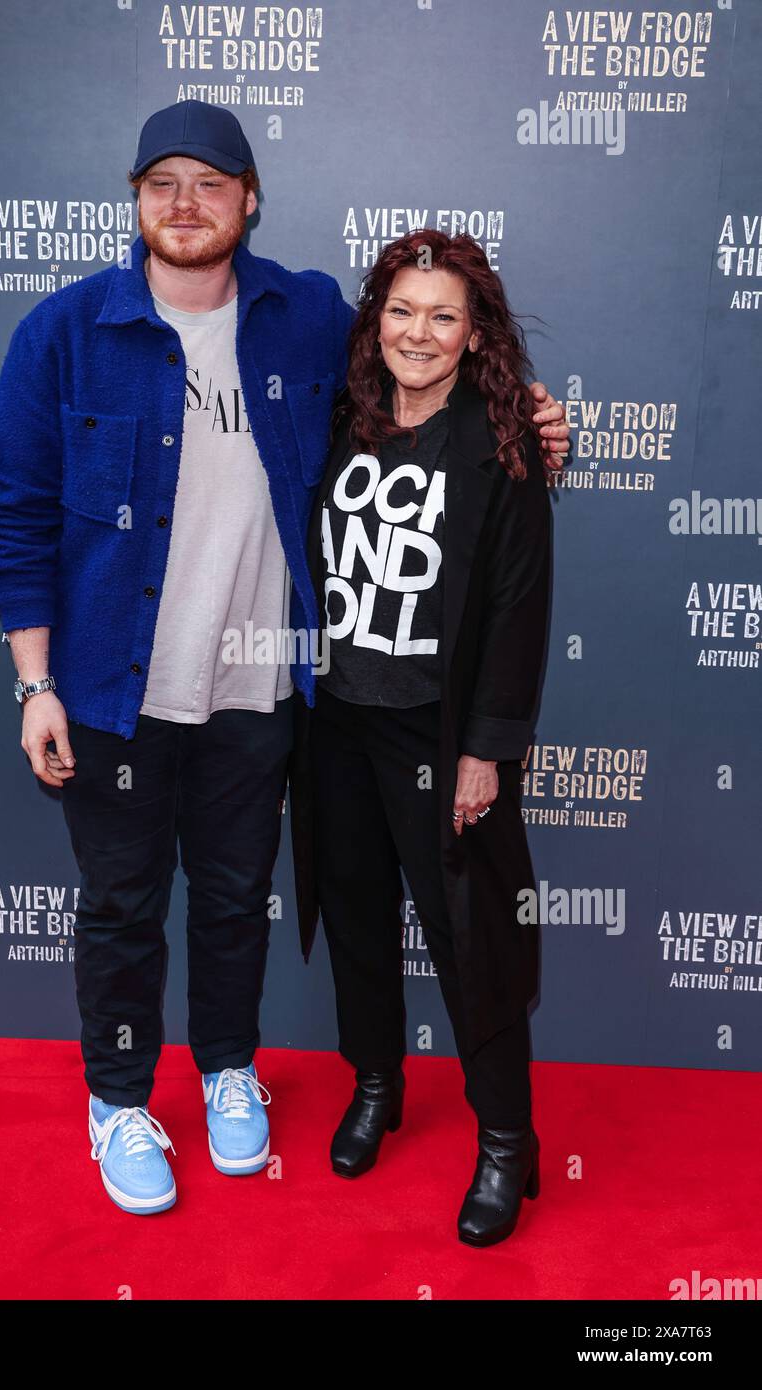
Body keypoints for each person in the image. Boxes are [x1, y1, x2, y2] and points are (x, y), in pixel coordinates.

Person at [0, 100, 569, 1216]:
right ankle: (116, 1099)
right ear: (135, 201)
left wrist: (526, 416)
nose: (185, 204)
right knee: (120, 902)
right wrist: (35, 681)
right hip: (108, 691)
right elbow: (11, 518)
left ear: (250, 200)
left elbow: (425, 371)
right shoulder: (59, 334)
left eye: (211, 183)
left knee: (238, 895)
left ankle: (227, 1068)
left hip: (261, 690)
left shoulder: (303, 321)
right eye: (162, 183)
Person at [288, 229, 556, 1247]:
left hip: (439, 740)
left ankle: (503, 1139)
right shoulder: (334, 423)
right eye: (401, 310)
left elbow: (521, 609)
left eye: (443, 314)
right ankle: (374, 1083)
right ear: (375, 320)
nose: (418, 331)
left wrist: (486, 751)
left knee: (469, 941)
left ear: (472, 329)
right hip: (339, 727)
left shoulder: (502, 446)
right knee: (356, 917)